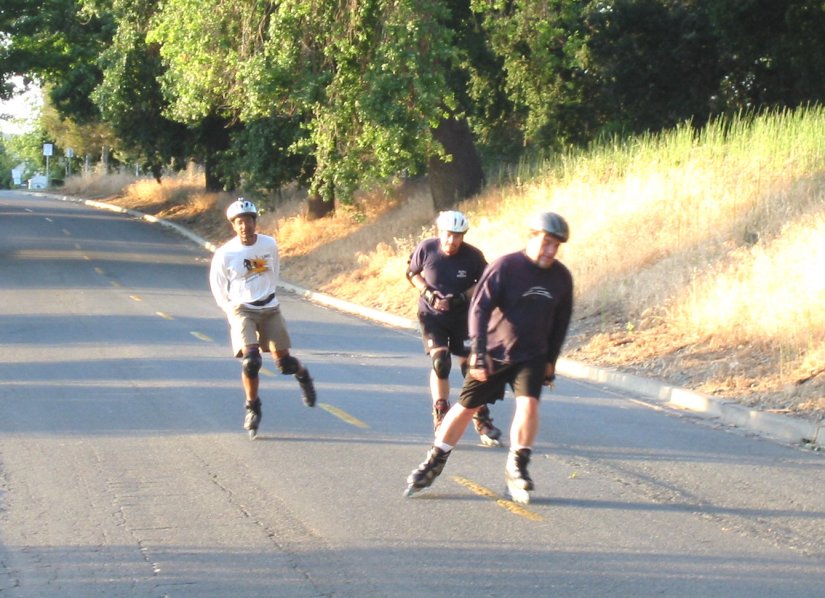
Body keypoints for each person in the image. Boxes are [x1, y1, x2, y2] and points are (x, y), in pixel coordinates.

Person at [404, 211, 574, 503]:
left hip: (532, 355)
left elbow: (561, 320)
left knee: (529, 406)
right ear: (532, 238)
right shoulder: (506, 267)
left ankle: (517, 466)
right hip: (495, 352)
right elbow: (479, 309)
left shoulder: (561, 277)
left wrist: (551, 361)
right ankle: (435, 459)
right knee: (466, 407)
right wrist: (479, 352)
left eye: (555, 245)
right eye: (545, 242)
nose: (550, 250)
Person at [209, 198, 317, 439]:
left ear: (255, 222)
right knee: (251, 361)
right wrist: (230, 309)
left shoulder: (269, 244)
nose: (245, 226)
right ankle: (252, 408)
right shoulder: (226, 253)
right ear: (233, 226)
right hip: (241, 309)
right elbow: (218, 287)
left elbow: (273, 271)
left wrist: (267, 295)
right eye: (239, 223)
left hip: (269, 307)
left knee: (284, 364)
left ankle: (303, 375)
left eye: (248, 221)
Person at [406, 210, 502, 446]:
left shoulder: (472, 256)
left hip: (463, 317)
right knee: (441, 361)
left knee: (471, 367)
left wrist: (461, 297)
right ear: (440, 233)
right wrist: (428, 293)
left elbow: (485, 281)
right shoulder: (427, 249)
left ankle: (480, 415)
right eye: (449, 235)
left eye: (458, 236)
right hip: (432, 317)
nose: (452, 241)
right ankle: (441, 412)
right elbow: (411, 273)